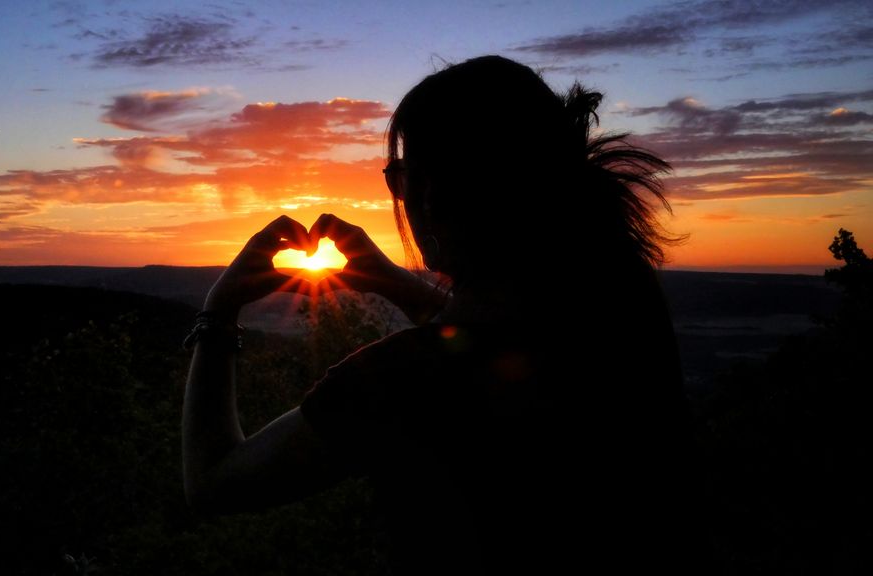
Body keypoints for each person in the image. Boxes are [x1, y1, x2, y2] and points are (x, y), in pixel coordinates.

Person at [183, 55, 715, 574]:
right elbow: (485, 343)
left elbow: (215, 482)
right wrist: (393, 281)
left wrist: (219, 312)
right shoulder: (616, 299)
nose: (400, 195)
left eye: (399, 176)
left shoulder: (396, 380)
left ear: (431, 192)